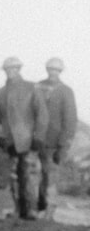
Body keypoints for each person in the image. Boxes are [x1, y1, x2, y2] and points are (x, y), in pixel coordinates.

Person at [0, 57, 48, 220]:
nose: (10, 72)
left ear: (19, 69)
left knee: (30, 175)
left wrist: (38, 137)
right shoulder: (0, 94)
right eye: (7, 69)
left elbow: (42, 114)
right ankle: (19, 210)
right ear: (4, 71)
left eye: (14, 68)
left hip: (29, 139)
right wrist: (2, 137)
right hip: (10, 142)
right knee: (14, 177)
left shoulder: (32, 88)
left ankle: (31, 210)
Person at [36, 57, 78, 215]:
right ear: (47, 70)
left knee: (51, 178)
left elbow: (70, 121)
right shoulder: (37, 88)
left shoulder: (65, 91)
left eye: (56, 70)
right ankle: (34, 210)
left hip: (54, 144)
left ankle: (49, 210)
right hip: (35, 141)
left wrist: (63, 145)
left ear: (60, 72)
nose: (53, 73)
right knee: (33, 177)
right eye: (50, 69)